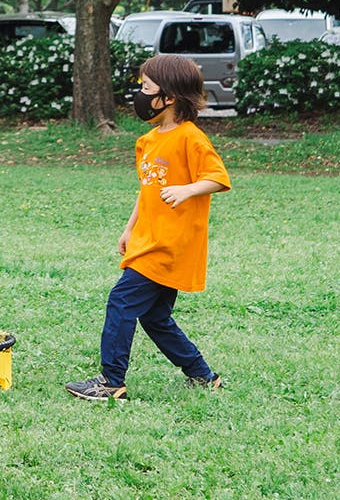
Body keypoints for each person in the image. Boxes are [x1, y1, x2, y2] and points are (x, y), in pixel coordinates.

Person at [65, 54, 230, 401]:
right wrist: (129, 229)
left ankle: (111, 381)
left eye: (146, 87)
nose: (139, 94)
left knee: (121, 301)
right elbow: (147, 191)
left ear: (169, 97)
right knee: (155, 317)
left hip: (170, 244)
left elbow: (218, 178)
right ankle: (203, 376)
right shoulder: (148, 141)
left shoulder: (191, 138)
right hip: (148, 239)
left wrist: (187, 190)